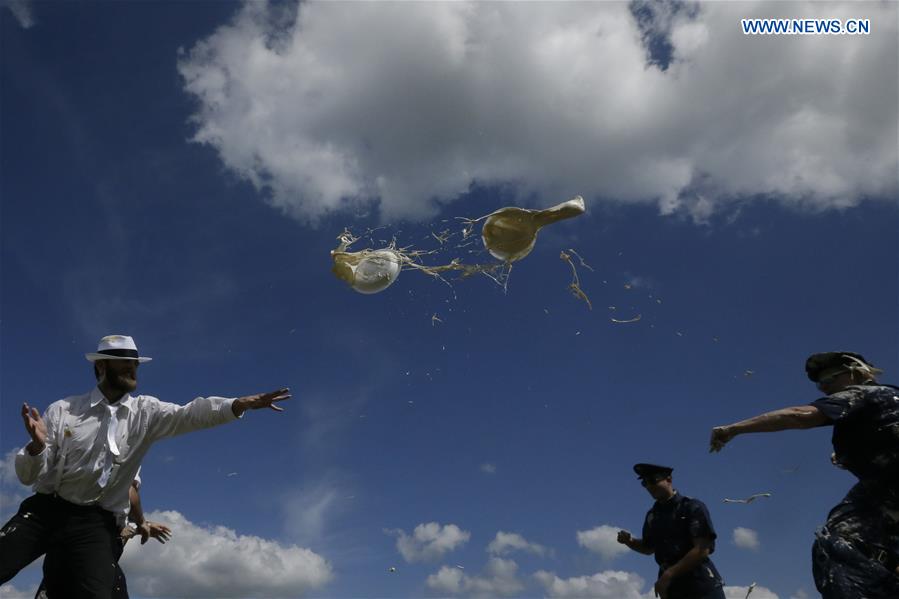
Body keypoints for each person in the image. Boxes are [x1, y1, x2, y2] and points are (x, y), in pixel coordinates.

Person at [0, 334, 290, 598]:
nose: (133, 369)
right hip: (47, 510)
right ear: (101, 366)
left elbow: (191, 414)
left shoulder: (146, 412)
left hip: (94, 523)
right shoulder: (64, 410)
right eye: (124, 363)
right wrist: (37, 448)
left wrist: (237, 404)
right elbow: (27, 477)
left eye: (135, 364)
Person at [709, 351, 899, 598]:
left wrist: (733, 429)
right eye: (819, 384)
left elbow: (799, 416)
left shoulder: (864, 394)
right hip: (884, 495)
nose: (824, 388)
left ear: (855, 372)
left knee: (836, 543)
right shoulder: (887, 401)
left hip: (886, 492)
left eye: (829, 379)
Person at [34, 474, 172, 599]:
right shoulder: (102, 505)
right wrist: (141, 523)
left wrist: (140, 527)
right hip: (78, 565)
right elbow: (129, 490)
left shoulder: (113, 514)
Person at [616, 463, 725, 599]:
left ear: (669, 479)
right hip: (672, 589)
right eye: (644, 483)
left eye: (652, 481)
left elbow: (702, 549)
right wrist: (629, 541)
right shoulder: (653, 515)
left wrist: (668, 575)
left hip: (700, 586)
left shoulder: (691, 507)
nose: (649, 486)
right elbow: (648, 548)